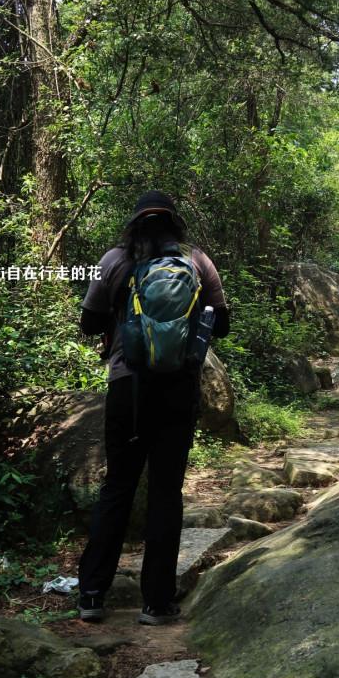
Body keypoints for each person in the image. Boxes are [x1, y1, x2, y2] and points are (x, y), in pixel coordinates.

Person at [77, 191, 229, 625]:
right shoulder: (197, 261)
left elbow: (88, 324)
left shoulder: (114, 261)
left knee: (118, 487)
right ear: (175, 225)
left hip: (128, 388)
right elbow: (223, 323)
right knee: (166, 492)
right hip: (179, 389)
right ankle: (157, 602)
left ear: (134, 224)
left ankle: (91, 595)